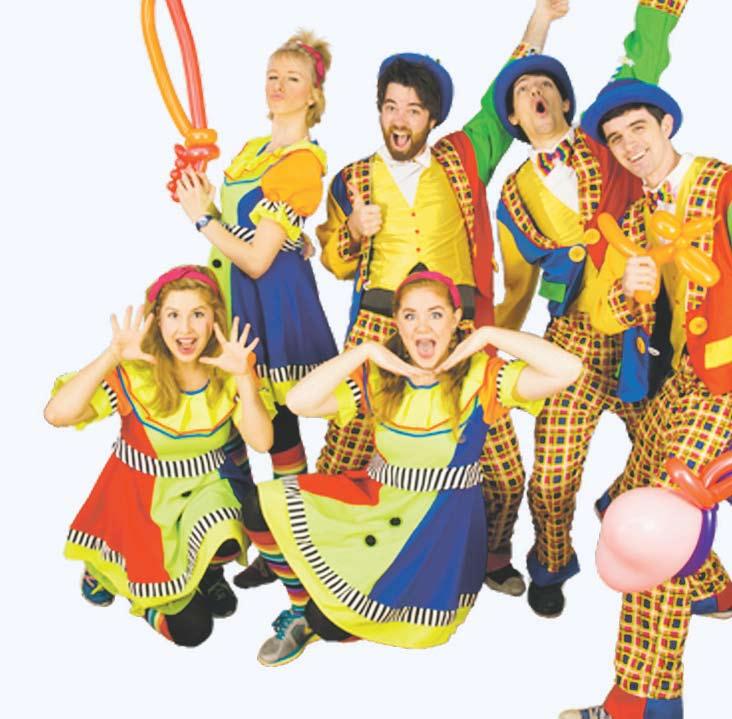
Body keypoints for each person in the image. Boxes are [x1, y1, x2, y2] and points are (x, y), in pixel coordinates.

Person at [314, 0, 569, 599]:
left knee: (500, 461)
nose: (400, 119)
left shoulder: (461, 156)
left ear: (432, 116)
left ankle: (492, 552)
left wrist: (540, 20)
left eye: (413, 108)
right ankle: (330, 556)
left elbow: (505, 96)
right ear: (379, 110)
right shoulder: (351, 180)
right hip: (377, 326)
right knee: (346, 446)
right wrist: (353, 234)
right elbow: (334, 260)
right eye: (391, 106)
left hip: (459, 328)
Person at [238, 271, 582, 666]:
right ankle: (300, 610)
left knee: (330, 625)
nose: (422, 327)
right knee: (258, 505)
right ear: (398, 324)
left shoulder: (484, 376)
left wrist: (487, 335)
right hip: (374, 506)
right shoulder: (380, 378)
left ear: (455, 319)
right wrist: (366, 351)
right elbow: (300, 401)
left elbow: (567, 370)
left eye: (436, 314)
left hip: (438, 535)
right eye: (410, 316)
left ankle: (322, 617)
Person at [490, 0, 687, 617]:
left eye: (546, 85)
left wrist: (658, 11)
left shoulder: (611, 139)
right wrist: (491, 354)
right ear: (513, 117)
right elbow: (516, 288)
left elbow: (643, 65)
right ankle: (550, 563)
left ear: (567, 102)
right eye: (523, 90)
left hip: (641, 334)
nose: (536, 93)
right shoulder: (513, 196)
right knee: (552, 474)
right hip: (569, 343)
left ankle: (643, 531)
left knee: (672, 457)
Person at [556, 78, 732, 719]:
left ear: (666, 126)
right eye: (615, 138)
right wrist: (631, 292)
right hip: (682, 383)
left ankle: (643, 701)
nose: (629, 145)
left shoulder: (722, 187)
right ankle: (712, 592)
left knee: (651, 530)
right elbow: (610, 318)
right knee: (619, 507)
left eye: (638, 129)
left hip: (725, 389)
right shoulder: (634, 220)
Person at [44, 265, 274, 646]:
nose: (186, 329)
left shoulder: (227, 370)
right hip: (141, 502)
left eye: (197, 314)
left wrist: (245, 380)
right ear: (157, 321)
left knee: (232, 528)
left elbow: (262, 442)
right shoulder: (137, 374)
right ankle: (114, 579)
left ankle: (206, 573)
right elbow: (57, 414)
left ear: (214, 319)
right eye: (173, 315)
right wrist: (112, 355)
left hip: (205, 491)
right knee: (193, 630)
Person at [175, 30, 337, 489]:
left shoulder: (302, 163)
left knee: (277, 424)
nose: (278, 86)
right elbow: (235, 224)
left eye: (292, 78)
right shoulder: (252, 151)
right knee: (230, 415)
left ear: (313, 95)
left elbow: (257, 260)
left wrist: (200, 218)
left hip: (270, 304)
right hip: (231, 296)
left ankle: (290, 528)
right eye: (272, 75)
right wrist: (199, 196)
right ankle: (245, 521)